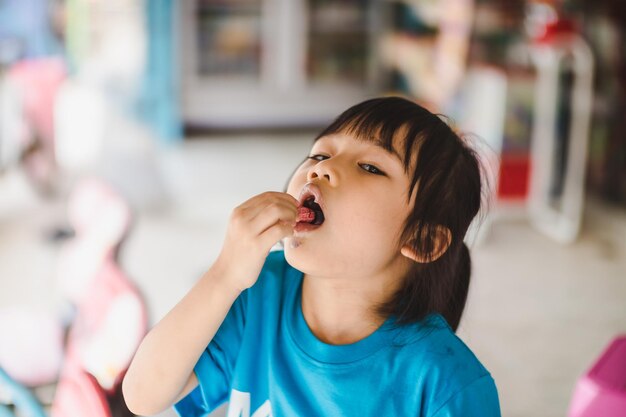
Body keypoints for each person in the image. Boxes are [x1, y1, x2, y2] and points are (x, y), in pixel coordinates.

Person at [122, 96, 502, 417]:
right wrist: (224, 275)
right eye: (320, 153)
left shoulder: (449, 386)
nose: (322, 169)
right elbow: (143, 396)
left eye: (370, 167)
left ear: (421, 241)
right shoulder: (258, 294)